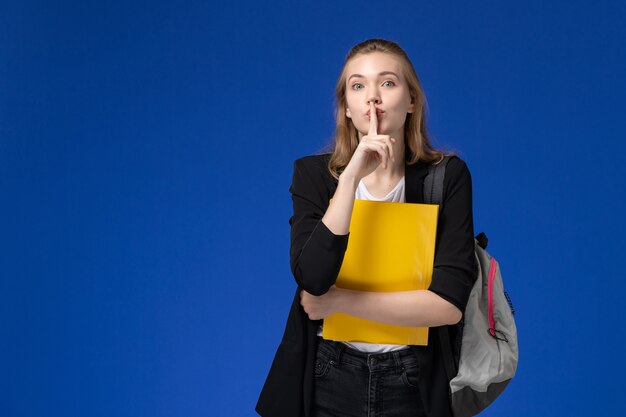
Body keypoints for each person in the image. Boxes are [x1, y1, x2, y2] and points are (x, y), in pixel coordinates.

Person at [256, 38, 477, 417]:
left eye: (387, 83)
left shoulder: (446, 178)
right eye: (358, 86)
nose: (371, 98)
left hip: (412, 376)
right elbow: (313, 278)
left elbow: (447, 305)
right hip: (328, 372)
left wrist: (342, 302)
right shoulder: (313, 175)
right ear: (346, 108)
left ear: (411, 102)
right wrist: (351, 177)